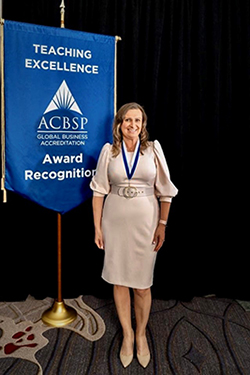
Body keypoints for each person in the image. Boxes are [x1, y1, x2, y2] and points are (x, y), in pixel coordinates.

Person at [90, 102, 178, 368]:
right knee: (119, 281)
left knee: (141, 284)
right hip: (114, 221)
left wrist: (162, 223)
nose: (133, 125)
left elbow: (165, 190)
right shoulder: (109, 151)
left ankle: (141, 335)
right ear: (119, 124)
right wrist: (97, 227)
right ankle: (127, 336)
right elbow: (98, 191)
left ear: (143, 125)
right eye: (128, 120)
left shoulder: (153, 150)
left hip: (146, 223)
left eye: (137, 121)